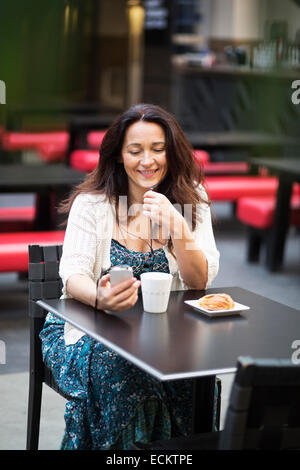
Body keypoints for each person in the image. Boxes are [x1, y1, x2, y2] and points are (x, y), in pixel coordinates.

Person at [39, 103, 220, 450]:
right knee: (125, 371)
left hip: (166, 338)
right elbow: (72, 274)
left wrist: (177, 227)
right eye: (135, 151)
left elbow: (200, 282)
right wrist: (99, 297)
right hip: (89, 330)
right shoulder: (94, 204)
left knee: (195, 376)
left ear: (171, 151)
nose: (147, 161)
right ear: (119, 156)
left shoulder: (193, 199)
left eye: (157, 149)